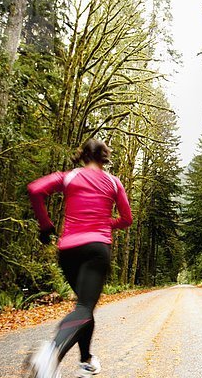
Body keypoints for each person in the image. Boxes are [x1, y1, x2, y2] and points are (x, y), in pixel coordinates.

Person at [26, 139, 132, 378]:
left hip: (68, 250)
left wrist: (46, 226)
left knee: (84, 306)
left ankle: (86, 360)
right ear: (105, 157)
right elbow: (127, 219)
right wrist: (107, 223)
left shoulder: (69, 177)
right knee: (84, 307)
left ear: (83, 156)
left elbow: (35, 189)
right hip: (96, 249)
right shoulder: (114, 183)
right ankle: (51, 353)